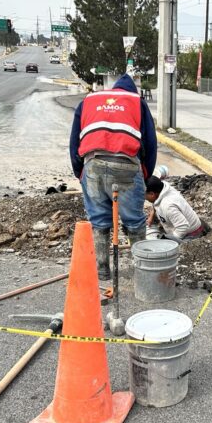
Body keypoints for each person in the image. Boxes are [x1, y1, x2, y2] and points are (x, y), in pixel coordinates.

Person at [69, 74, 157, 280]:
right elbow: (151, 144)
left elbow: (74, 141)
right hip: (127, 164)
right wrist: (145, 175)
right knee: (134, 221)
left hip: (93, 163)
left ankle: (102, 270)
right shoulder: (137, 102)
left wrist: (79, 172)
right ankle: (142, 270)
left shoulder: (89, 100)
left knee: (99, 220)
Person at [145, 176, 206, 242]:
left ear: (152, 194)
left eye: (144, 195)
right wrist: (151, 216)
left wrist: (170, 241)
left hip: (191, 234)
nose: (144, 198)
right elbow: (156, 202)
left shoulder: (168, 206)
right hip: (188, 224)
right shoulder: (163, 189)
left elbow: (183, 227)